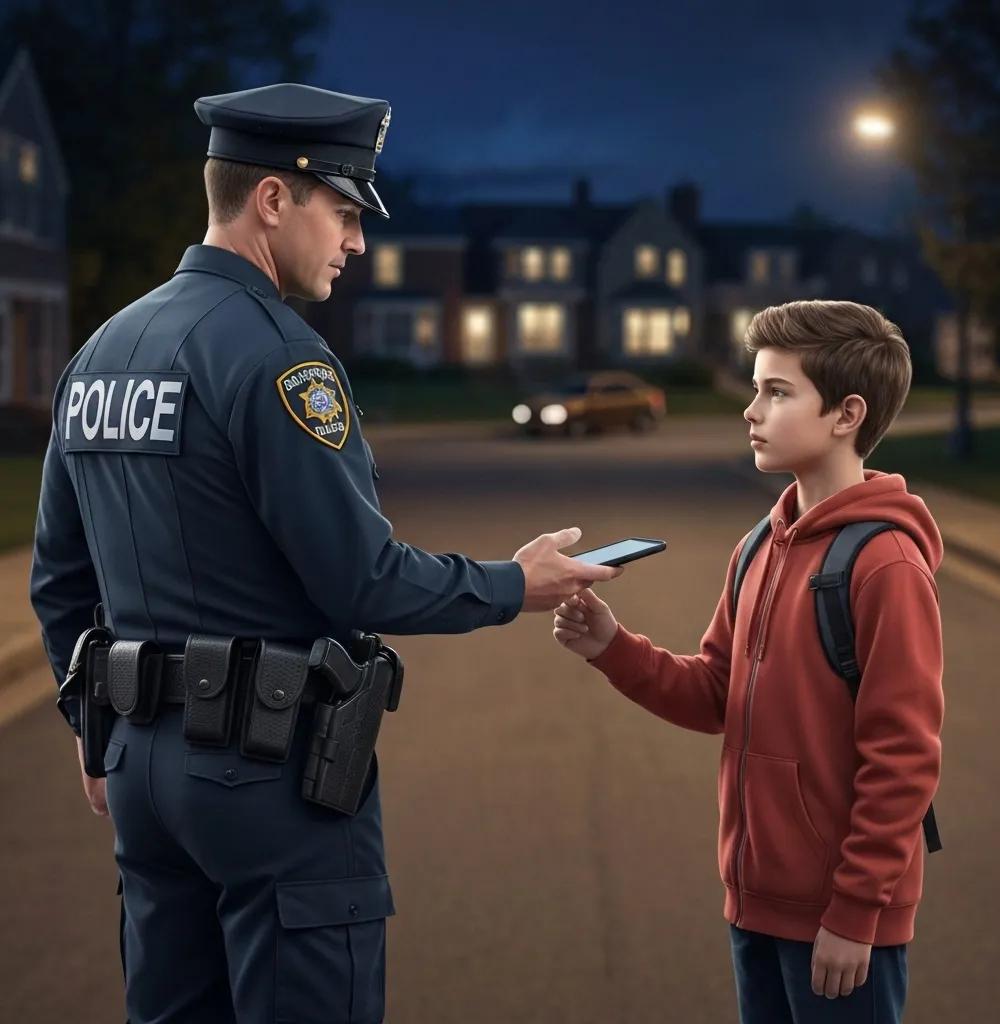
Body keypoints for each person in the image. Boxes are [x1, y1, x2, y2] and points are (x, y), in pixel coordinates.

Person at [29, 82, 622, 1024]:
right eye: (343, 212)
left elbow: (60, 576)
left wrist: (91, 726)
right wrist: (519, 583)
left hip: (140, 770)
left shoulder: (101, 352)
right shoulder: (278, 358)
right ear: (274, 200)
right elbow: (360, 577)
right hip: (267, 773)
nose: (355, 242)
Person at [553, 300, 943, 1023]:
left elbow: (905, 759)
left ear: (846, 414)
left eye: (777, 391)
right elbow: (714, 694)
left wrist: (856, 913)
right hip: (758, 904)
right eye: (755, 388)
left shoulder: (885, 563)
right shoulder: (760, 546)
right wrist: (612, 646)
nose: (750, 410)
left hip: (841, 920)